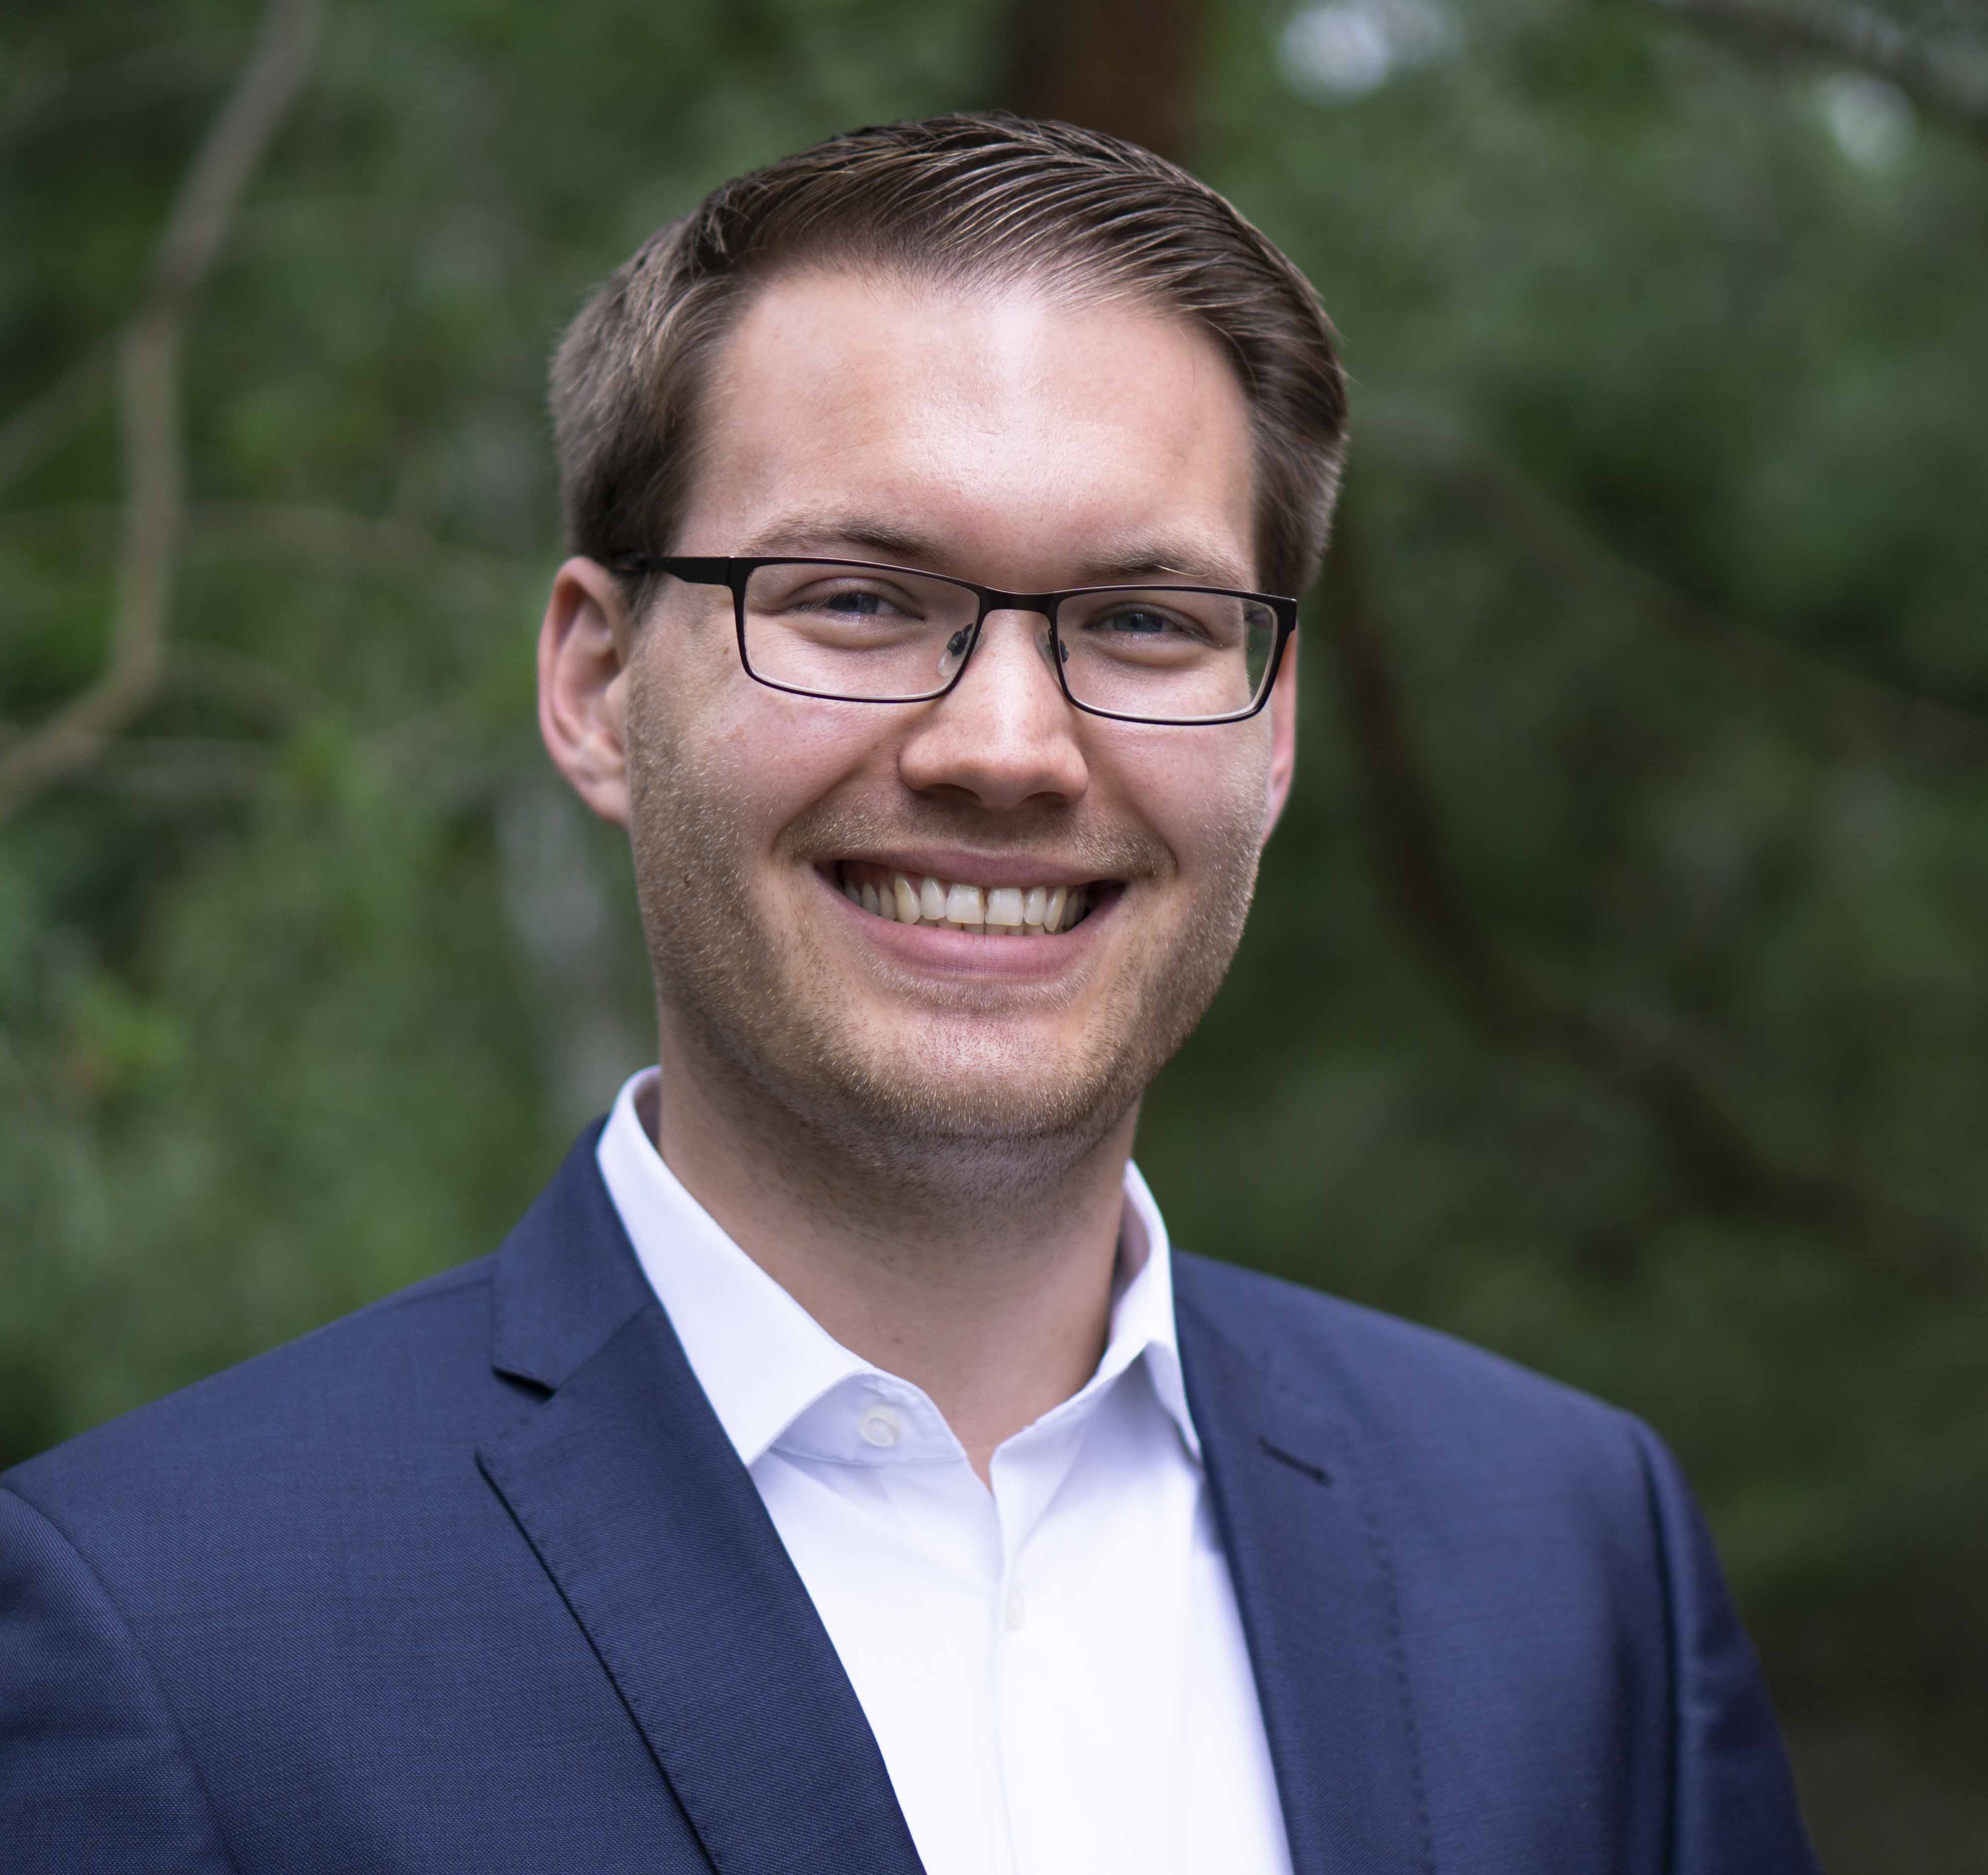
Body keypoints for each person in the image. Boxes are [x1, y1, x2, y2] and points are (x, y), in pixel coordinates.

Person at [0, 114, 1817, 1874]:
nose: (1007, 749)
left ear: (1272, 735)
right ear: (597, 685)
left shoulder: (1572, 1556)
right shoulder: (159, 1631)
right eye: (860, 600)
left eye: (1146, 622)